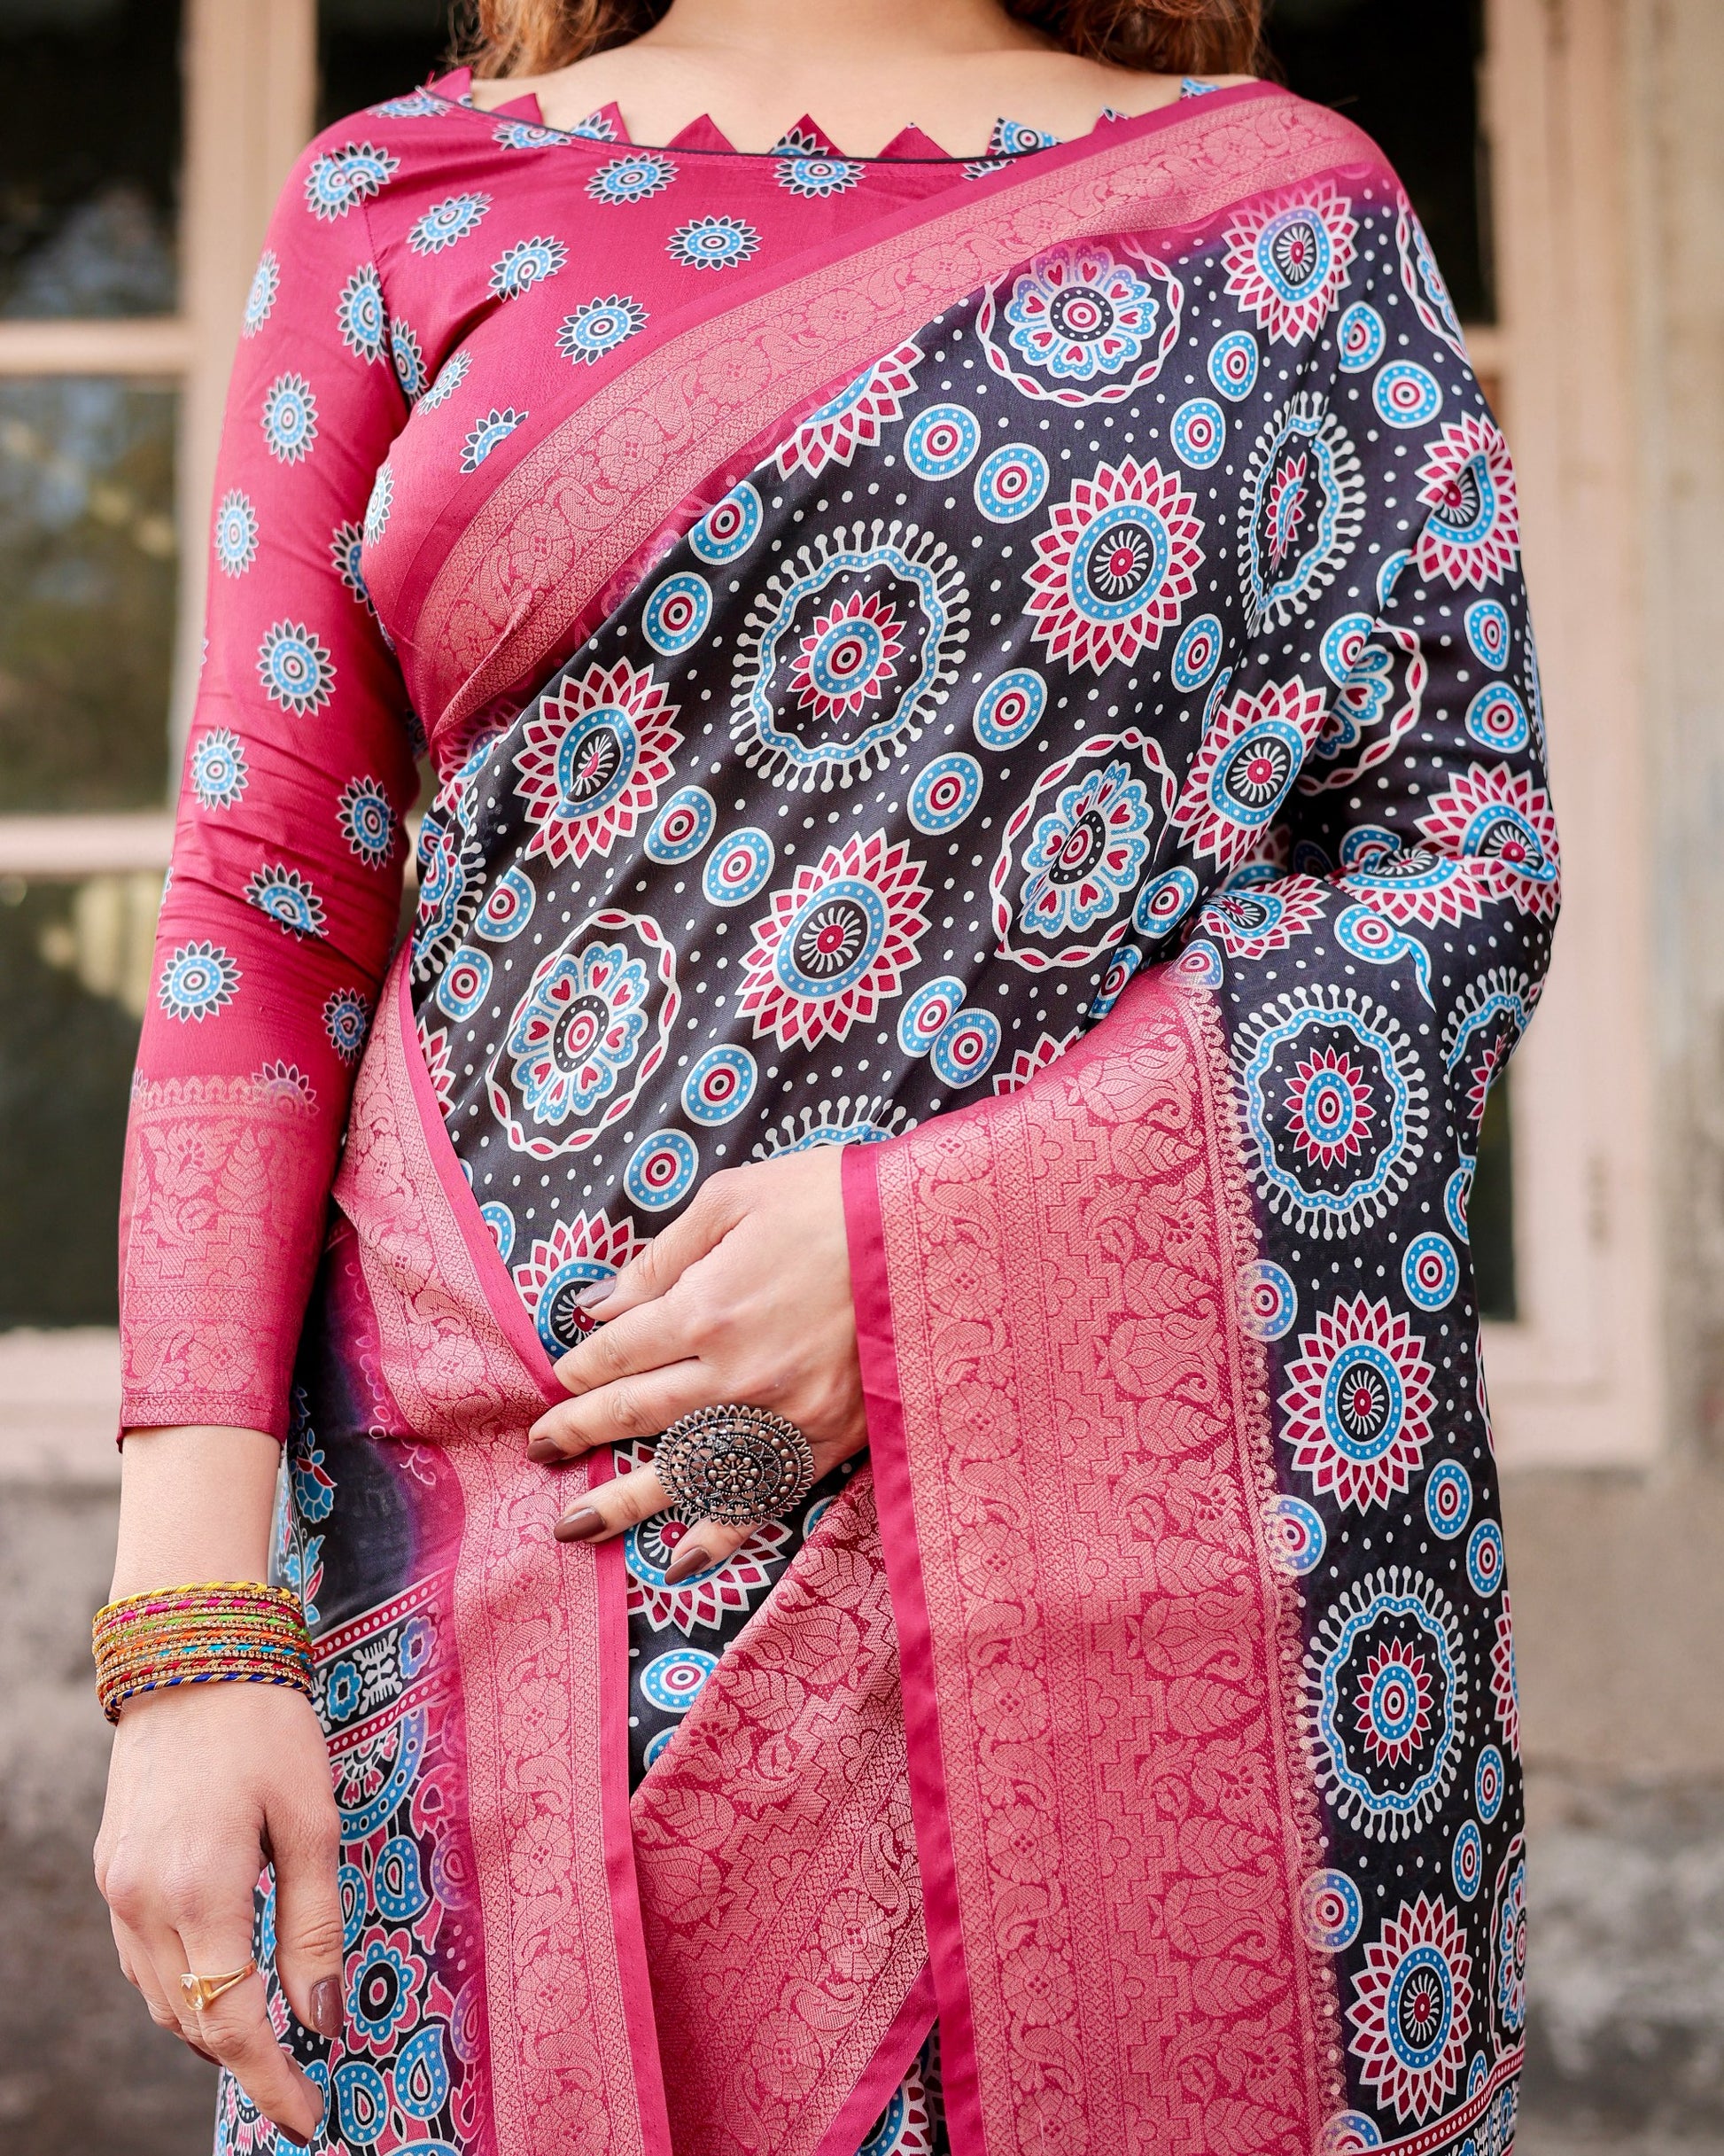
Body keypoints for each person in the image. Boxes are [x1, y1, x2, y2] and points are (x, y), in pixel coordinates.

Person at [94, 3, 1549, 2150]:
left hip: (1108, 1604)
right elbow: (266, 903)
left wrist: (928, 1262)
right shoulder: (401, 201)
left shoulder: (1280, 213)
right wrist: (194, 1635)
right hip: (503, 1583)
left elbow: (1459, 864)